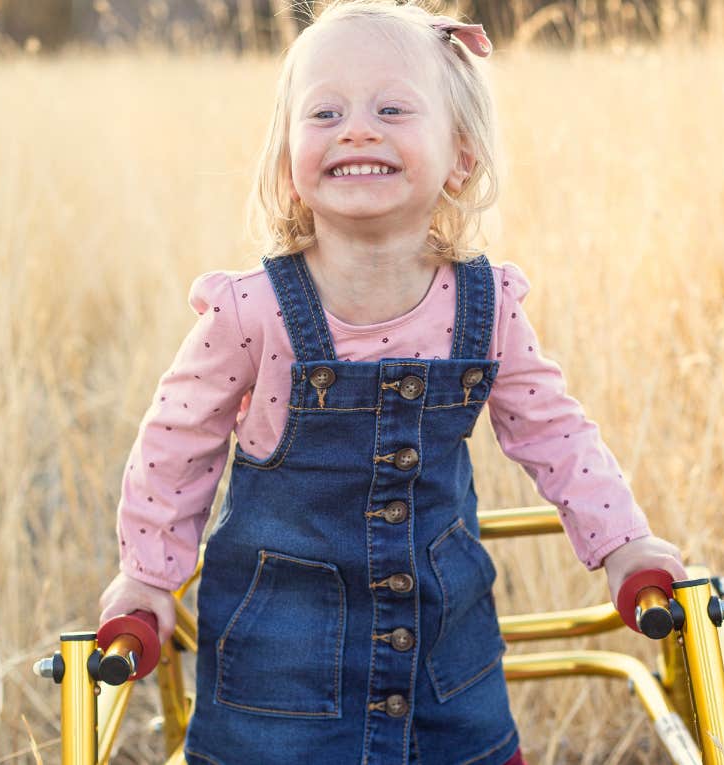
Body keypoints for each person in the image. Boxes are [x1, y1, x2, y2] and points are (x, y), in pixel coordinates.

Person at [98, 1, 687, 762]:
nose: (357, 128)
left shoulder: (488, 307)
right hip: (282, 670)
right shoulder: (253, 311)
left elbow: (557, 432)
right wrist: (147, 578)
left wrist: (623, 546)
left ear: (461, 157)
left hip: (444, 653)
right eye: (326, 112)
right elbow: (177, 442)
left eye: (393, 108)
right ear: (287, 165)